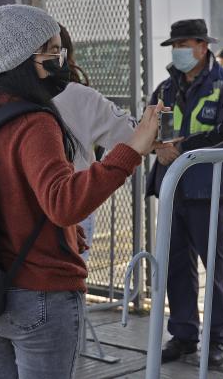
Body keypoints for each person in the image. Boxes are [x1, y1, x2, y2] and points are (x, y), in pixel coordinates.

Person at [0, 4, 165, 379]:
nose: (61, 59)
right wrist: (131, 151)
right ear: (23, 58)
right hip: (38, 294)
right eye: (51, 50)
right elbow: (63, 203)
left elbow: (9, 201)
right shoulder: (35, 121)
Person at [147, 19, 223, 366]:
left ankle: (217, 339)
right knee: (175, 265)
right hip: (173, 188)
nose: (178, 51)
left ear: (203, 47)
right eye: (175, 45)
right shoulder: (164, 89)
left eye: (184, 44)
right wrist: (158, 146)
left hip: (211, 190)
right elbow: (148, 129)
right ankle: (184, 335)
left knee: (217, 267)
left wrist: (182, 147)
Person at [52, 24, 136, 265]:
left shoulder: (1, 96)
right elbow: (130, 134)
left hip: (31, 207)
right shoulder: (78, 96)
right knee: (69, 283)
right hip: (73, 201)